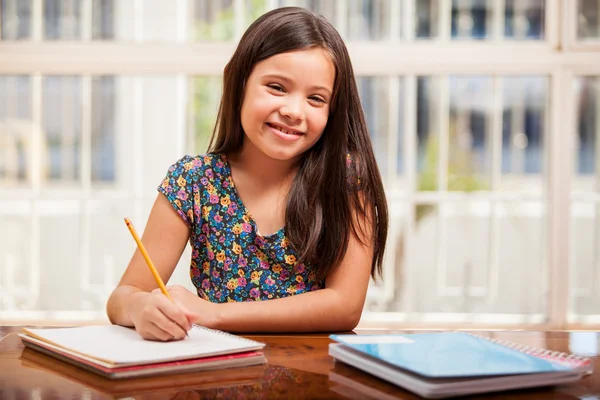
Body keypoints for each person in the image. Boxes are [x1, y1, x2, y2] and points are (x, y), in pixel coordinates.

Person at [106, 6, 388, 340]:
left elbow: (344, 306)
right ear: (239, 83)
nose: (293, 111)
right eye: (277, 87)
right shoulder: (193, 181)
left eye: (316, 98)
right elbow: (122, 298)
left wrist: (214, 314)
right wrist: (140, 308)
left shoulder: (344, 181)